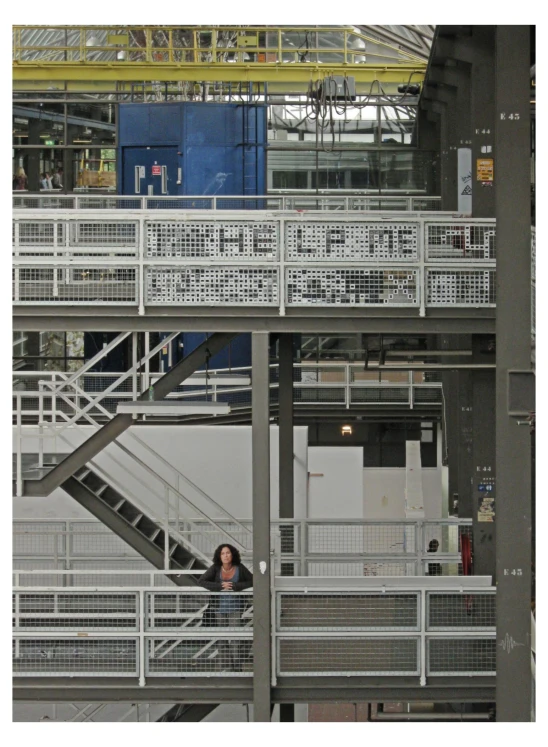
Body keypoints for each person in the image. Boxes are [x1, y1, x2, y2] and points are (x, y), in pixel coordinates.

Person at [198, 544, 253, 671]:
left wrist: (236, 586)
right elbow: (201, 581)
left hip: (236, 608)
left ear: (232, 554)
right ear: (219, 556)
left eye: (228, 553)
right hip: (219, 609)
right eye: (223, 553)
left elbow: (252, 581)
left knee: (235, 639)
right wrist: (220, 586)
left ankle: (237, 668)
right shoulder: (216, 568)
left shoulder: (239, 567)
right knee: (222, 639)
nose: (225, 555)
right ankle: (226, 668)